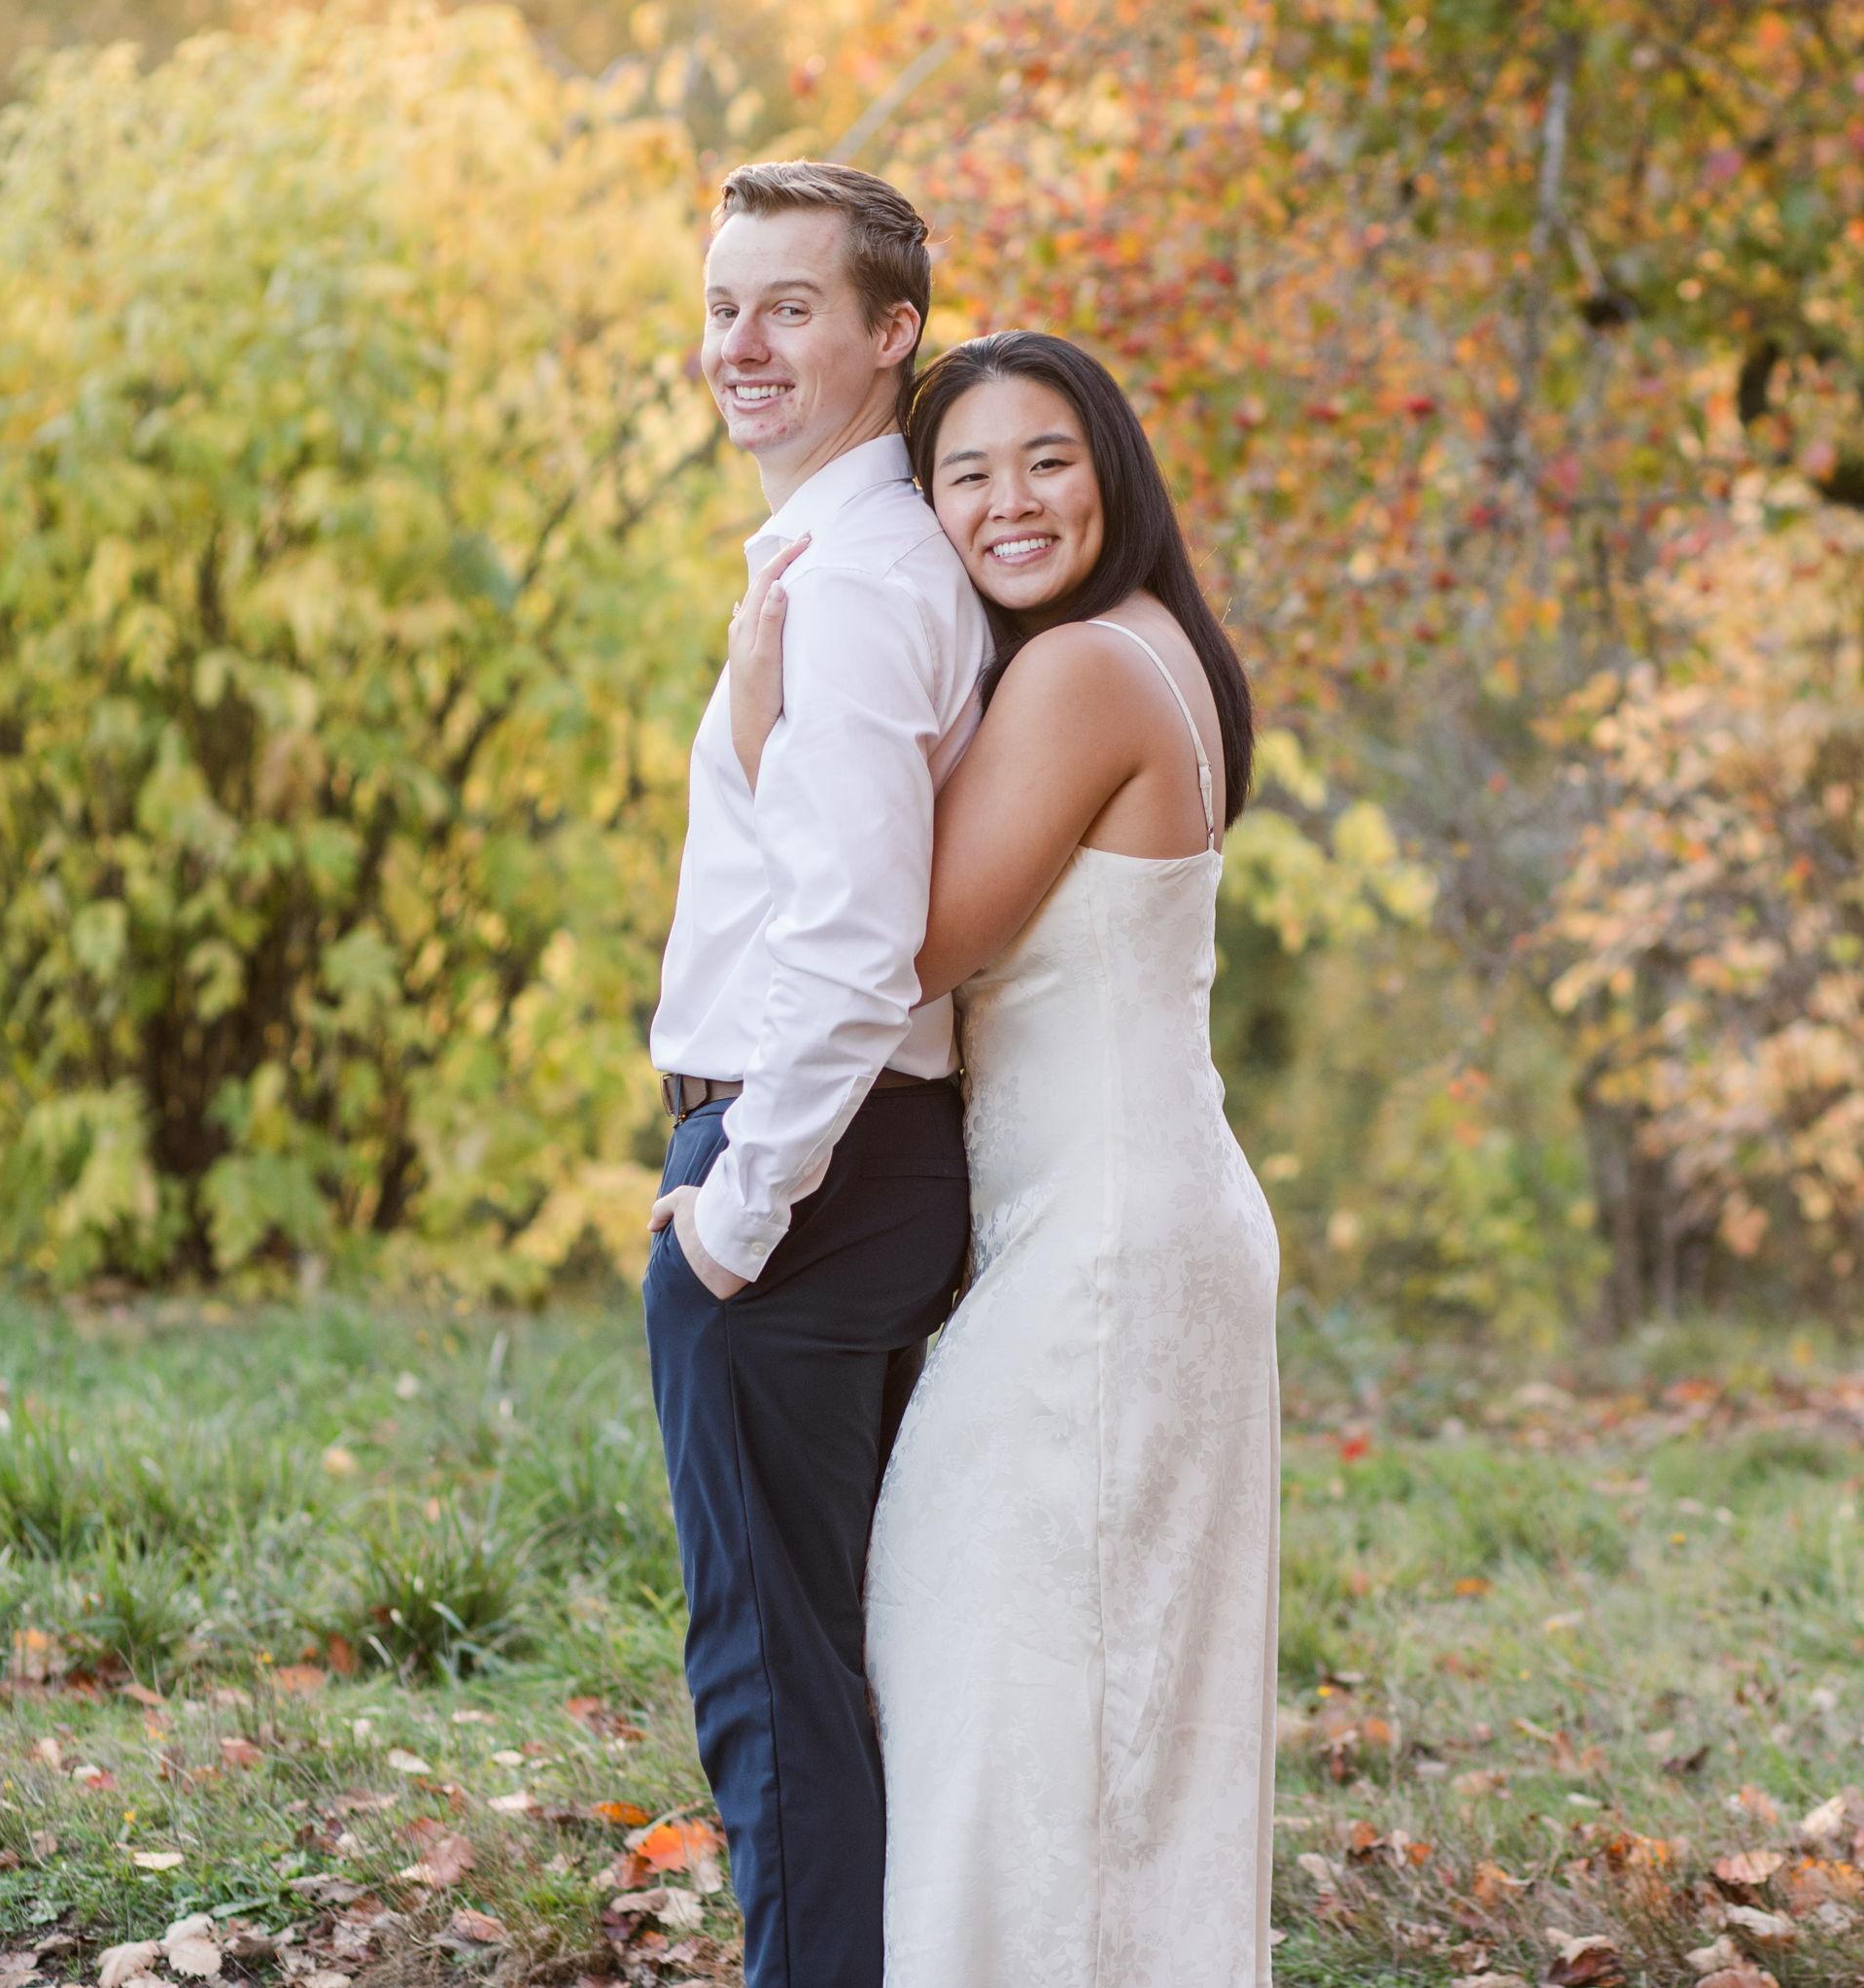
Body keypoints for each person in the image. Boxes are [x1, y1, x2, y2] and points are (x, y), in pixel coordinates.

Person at [727, 328, 1282, 1986]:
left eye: (1046, 458)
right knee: (1094, 1699)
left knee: (990, 1666)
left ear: (1113, 468)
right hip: (1133, 1219)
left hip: (1106, 1250)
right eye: (963, 473)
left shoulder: (1087, 670)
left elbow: (902, 941)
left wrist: (765, 727)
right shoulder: (1147, 645)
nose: (1007, 501)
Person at [642, 161, 988, 1988]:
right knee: (823, 1672)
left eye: (790, 307)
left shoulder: (857, 583)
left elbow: (858, 946)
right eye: (724, 307)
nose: (743, 345)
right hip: (847, 1161)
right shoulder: (835, 565)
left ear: (890, 333)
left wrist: (737, 1206)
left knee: (772, 1684)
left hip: (804, 1178)